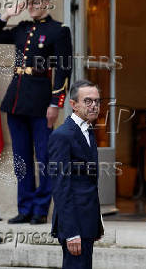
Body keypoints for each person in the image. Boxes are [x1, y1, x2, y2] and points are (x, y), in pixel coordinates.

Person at [0, 0, 72, 224]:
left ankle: (41, 209)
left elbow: (65, 69)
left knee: (44, 157)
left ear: (46, 3)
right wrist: (7, 14)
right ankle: (24, 208)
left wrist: (56, 103)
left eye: (36, 3)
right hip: (16, 101)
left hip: (42, 102)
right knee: (21, 158)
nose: (32, 7)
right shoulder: (22, 28)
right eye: (28, 3)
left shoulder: (59, 30)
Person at [48, 80, 104, 269]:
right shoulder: (62, 135)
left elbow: (89, 183)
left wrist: (97, 223)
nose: (94, 105)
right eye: (88, 101)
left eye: (97, 101)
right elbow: (60, 187)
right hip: (74, 226)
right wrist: (71, 232)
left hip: (87, 222)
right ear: (73, 104)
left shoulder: (88, 131)